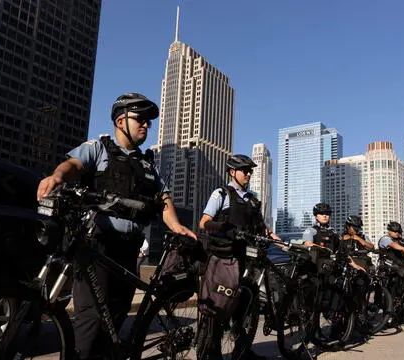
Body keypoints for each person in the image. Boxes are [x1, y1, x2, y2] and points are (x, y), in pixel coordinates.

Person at [37, 93, 196, 360]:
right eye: (140, 120)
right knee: (90, 320)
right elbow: (73, 164)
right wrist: (57, 176)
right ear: (121, 121)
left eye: (149, 122)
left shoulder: (148, 164)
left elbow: (164, 199)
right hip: (97, 246)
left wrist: (177, 226)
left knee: (116, 318)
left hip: (129, 251)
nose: (146, 125)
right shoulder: (99, 148)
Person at [199, 154, 279, 360]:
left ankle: (242, 351)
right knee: (218, 306)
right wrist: (224, 228)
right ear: (232, 172)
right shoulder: (221, 194)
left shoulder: (252, 200)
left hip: (245, 259)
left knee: (244, 306)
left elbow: (263, 227)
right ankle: (212, 352)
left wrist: (278, 241)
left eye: (250, 171)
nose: (249, 174)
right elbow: (204, 222)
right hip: (222, 258)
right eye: (245, 170)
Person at [377, 222, 404, 298]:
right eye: (394, 231)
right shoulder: (385, 239)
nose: (396, 233)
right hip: (386, 264)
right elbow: (393, 245)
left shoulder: (401, 242)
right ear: (389, 231)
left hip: (398, 266)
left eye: (398, 231)